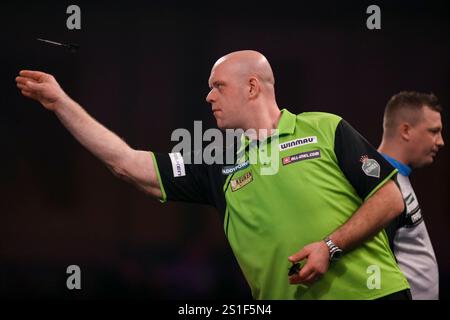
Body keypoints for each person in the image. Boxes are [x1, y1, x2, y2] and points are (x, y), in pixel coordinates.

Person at [16, 50, 410, 299]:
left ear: (252, 87)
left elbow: (390, 198)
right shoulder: (217, 162)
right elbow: (126, 162)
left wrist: (330, 246)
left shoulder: (325, 128)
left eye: (218, 86)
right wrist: (61, 103)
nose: (208, 97)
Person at [379, 91, 444, 300]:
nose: (441, 141)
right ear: (406, 130)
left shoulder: (397, 177)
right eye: (434, 131)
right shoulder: (379, 183)